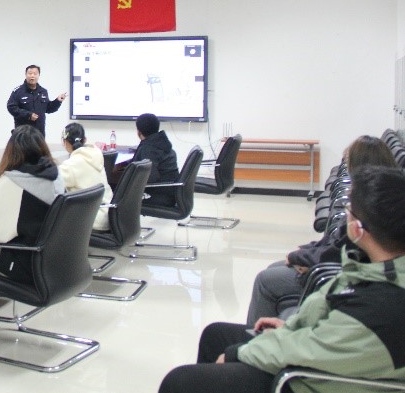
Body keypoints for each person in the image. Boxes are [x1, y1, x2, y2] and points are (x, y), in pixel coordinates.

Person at [159, 165, 405, 393]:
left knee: (180, 382)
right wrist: (291, 327)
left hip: (311, 381)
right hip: (320, 356)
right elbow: (330, 330)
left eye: (349, 210)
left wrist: (237, 354)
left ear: (358, 229)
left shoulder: (383, 305)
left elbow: (309, 350)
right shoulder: (371, 266)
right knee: (216, 335)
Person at [245, 135, 397, 325]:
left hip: (339, 277)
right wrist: (304, 252)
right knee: (274, 268)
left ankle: (253, 337)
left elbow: (340, 251)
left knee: (265, 280)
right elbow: (335, 241)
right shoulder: (378, 197)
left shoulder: (368, 206)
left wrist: (300, 258)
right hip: (334, 266)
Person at [0, 125, 66, 339]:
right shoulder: (56, 175)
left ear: (11, 152)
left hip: (28, 264)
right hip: (53, 261)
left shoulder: (13, 181)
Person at [58, 122, 112, 230]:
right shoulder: (96, 156)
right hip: (107, 214)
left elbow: (51, 184)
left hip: (90, 220)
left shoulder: (70, 165)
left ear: (65, 142)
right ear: (85, 139)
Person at [124, 113, 178, 202]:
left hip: (159, 194)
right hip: (170, 191)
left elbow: (149, 178)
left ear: (139, 131)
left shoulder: (149, 148)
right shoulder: (161, 142)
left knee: (119, 198)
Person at [6, 65, 67, 136]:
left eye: (35, 74)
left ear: (39, 75)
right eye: (30, 73)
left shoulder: (43, 91)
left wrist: (57, 101)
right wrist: (28, 115)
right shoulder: (18, 91)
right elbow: (11, 107)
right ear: (26, 75)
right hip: (23, 133)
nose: (32, 76)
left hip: (39, 133)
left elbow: (48, 109)